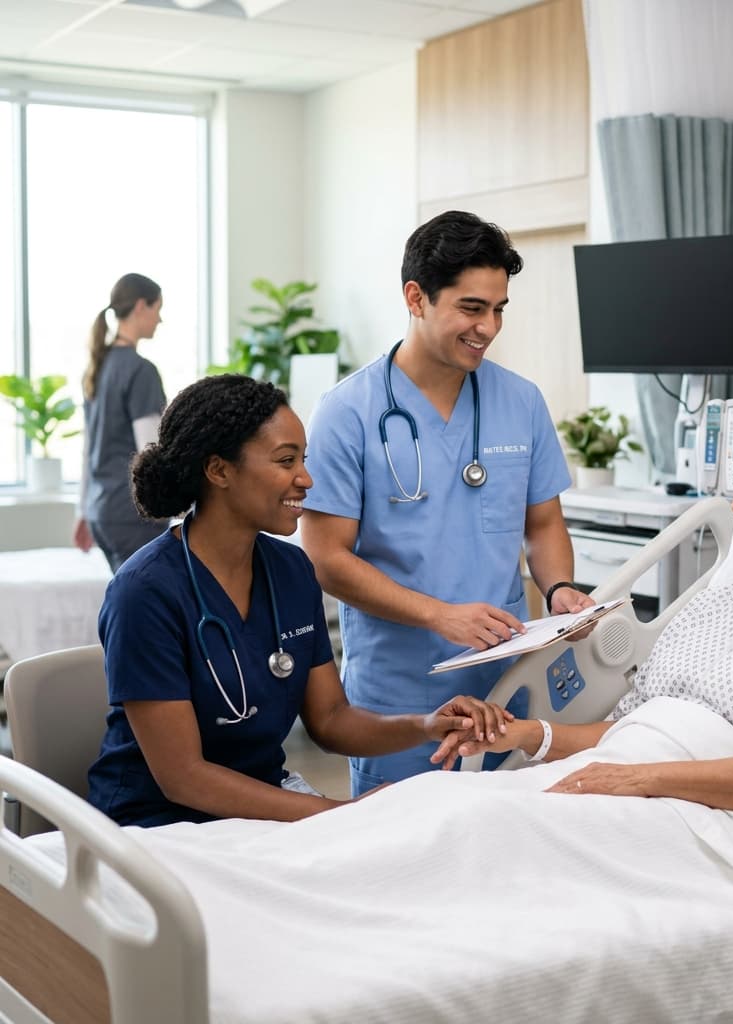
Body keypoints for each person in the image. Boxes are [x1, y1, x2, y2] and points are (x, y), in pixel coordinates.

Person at [446, 414, 733, 834]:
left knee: (492, 845)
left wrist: (640, 779)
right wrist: (526, 734)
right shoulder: (719, 603)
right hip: (630, 786)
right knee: (449, 817)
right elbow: (630, 729)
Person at [86, 374, 509, 828]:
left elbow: (330, 719)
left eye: (303, 460)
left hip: (260, 810)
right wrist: (337, 814)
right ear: (219, 470)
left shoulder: (290, 571)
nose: (306, 479)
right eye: (286, 461)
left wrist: (426, 725)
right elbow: (184, 779)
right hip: (160, 826)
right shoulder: (145, 593)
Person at [302, 210, 592, 797]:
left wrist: (559, 588)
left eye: (498, 309)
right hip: (400, 692)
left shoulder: (521, 402)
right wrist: (439, 614)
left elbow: (543, 524)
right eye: (471, 308)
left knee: (504, 854)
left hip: (510, 684)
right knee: (401, 862)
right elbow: (326, 558)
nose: (488, 327)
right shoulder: (347, 412)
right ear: (416, 297)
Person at [74, 273, 168, 572]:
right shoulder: (141, 371)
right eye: (157, 309)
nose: (160, 320)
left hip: (102, 513)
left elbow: (88, 448)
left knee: (130, 600)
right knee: (149, 609)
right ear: (141, 306)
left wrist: (83, 510)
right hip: (133, 516)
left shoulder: (98, 367)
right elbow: (150, 451)